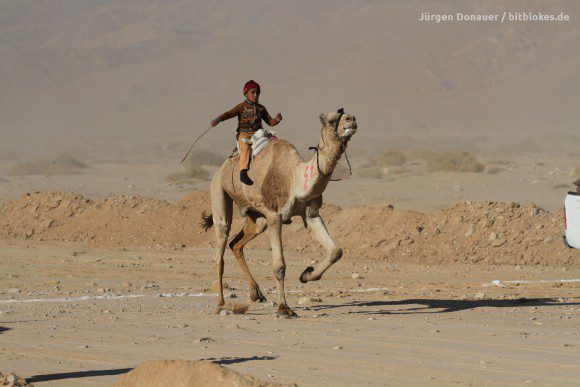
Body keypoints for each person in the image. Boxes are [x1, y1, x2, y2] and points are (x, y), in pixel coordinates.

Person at [211, 80, 282, 185]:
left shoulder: (261, 108)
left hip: (258, 133)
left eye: (257, 92)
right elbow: (229, 114)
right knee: (245, 147)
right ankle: (243, 172)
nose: (255, 95)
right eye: (252, 92)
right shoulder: (241, 107)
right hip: (244, 134)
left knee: (273, 144)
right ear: (246, 93)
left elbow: (270, 122)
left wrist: (276, 120)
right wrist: (217, 119)